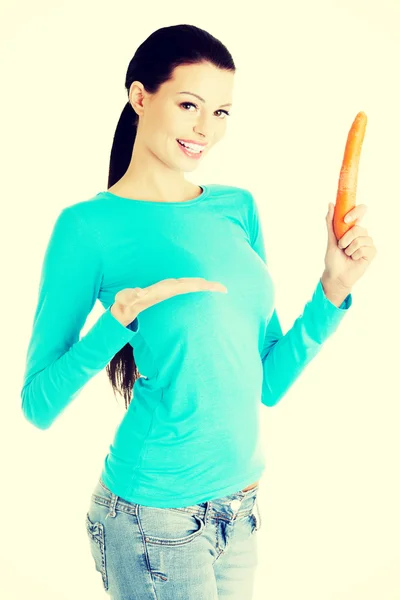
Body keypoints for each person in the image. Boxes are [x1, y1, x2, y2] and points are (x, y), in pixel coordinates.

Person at [21, 23, 376, 600]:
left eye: (222, 112)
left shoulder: (237, 208)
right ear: (140, 97)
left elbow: (265, 381)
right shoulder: (86, 228)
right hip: (151, 521)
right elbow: (37, 405)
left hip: (239, 508)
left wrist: (332, 290)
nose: (205, 130)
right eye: (189, 105)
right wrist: (114, 325)